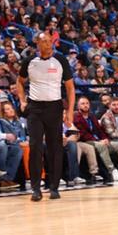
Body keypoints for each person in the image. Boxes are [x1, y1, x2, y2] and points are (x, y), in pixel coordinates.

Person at [17, 32, 75, 201]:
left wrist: (70, 112)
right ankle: (36, 188)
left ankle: (54, 187)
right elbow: (20, 82)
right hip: (35, 108)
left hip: (54, 108)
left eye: (50, 41)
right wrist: (22, 100)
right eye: (44, 41)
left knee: (55, 148)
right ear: (37, 44)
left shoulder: (60, 60)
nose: (48, 44)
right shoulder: (29, 61)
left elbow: (70, 88)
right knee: (35, 147)